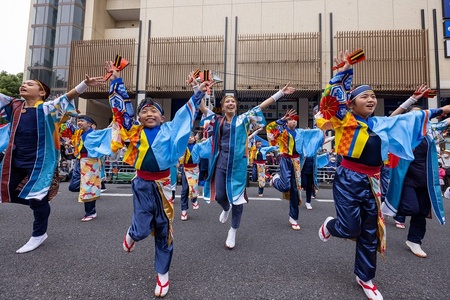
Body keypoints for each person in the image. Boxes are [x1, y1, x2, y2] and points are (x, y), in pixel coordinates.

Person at [315, 50, 449, 300]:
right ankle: (331, 226)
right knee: (350, 227)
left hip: (374, 181)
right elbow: (329, 104)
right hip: (349, 179)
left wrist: (442, 110)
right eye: (364, 96)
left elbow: (411, 118)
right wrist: (343, 72)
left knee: (369, 231)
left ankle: (365, 277)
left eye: (373, 96)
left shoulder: (379, 124)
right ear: (352, 103)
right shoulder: (344, 121)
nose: (371, 99)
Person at [106, 62, 210, 298]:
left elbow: (186, 113)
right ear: (139, 117)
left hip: (165, 185)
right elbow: (121, 110)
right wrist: (116, 80)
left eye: (154, 111)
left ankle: (162, 274)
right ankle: (132, 234)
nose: (149, 114)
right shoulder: (133, 130)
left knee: (164, 230)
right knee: (142, 230)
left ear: (162, 117)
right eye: (144, 111)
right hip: (142, 184)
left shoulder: (171, 129)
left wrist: (199, 90)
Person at [0, 75, 105, 253]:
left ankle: (39, 233)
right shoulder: (14, 105)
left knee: (37, 198)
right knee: (6, 190)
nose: (24, 85)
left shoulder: (47, 108)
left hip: (40, 161)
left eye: (30, 84)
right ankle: (37, 200)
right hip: (16, 157)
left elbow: (66, 98)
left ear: (42, 92)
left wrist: (84, 84)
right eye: (23, 83)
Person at [195, 80, 295, 249]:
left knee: (238, 201)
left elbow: (261, 106)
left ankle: (233, 230)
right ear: (223, 106)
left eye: (233, 101)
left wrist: (280, 93)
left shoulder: (243, 120)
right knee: (220, 196)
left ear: (236, 105)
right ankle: (225, 208)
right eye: (227, 101)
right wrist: (196, 89)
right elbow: (202, 107)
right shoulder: (217, 120)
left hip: (238, 166)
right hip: (220, 163)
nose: (230, 103)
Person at [383, 104, 450, 258]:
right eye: (414, 115)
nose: (418, 117)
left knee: (421, 212)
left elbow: (446, 122)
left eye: (422, 114)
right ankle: (387, 206)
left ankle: (414, 240)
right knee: (412, 208)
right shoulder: (401, 132)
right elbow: (389, 121)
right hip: (406, 178)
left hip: (426, 179)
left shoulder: (430, 131)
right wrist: (409, 101)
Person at [267, 110, 326, 228]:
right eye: (290, 119)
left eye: (294, 120)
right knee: (285, 186)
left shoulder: (300, 133)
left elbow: (315, 135)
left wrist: (321, 122)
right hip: (285, 159)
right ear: (286, 122)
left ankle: (293, 218)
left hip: (297, 161)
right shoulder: (282, 131)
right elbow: (270, 130)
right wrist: (281, 120)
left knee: (295, 189)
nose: (293, 121)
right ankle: (274, 179)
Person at [68, 115, 110, 221]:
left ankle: (91, 212)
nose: (79, 123)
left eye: (82, 121)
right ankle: (90, 193)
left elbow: (109, 132)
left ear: (89, 124)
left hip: (91, 162)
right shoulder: (78, 133)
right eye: (78, 121)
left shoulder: (95, 134)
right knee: (74, 187)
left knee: (89, 188)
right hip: (79, 161)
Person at [178, 132, 200, 221]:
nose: (190, 138)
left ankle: (194, 200)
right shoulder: (183, 146)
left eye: (191, 136)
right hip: (186, 169)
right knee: (184, 190)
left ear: (195, 138)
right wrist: (177, 163)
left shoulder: (198, 146)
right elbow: (178, 155)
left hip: (195, 169)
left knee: (194, 187)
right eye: (188, 137)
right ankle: (184, 211)